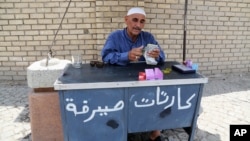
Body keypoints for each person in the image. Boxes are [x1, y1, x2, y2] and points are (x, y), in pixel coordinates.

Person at [101, 7, 165, 141]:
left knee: (158, 95)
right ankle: (121, 131)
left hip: (143, 79)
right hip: (120, 79)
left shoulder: (148, 37)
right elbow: (106, 56)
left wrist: (157, 55)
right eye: (135, 20)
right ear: (126, 20)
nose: (138, 25)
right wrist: (126, 56)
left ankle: (155, 133)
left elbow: (162, 58)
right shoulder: (115, 36)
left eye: (142, 22)